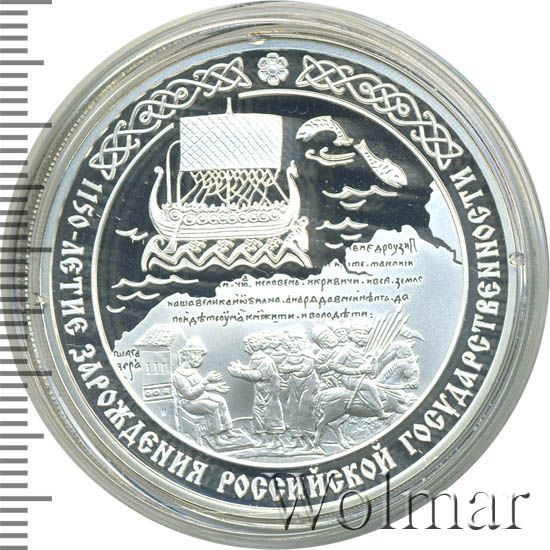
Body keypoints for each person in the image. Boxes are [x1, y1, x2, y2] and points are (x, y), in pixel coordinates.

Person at [173, 336, 240, 447]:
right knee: (212, 406)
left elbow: (201, 386)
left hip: (200, 396)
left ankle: (228, 430)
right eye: (195, 354)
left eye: (200, 355)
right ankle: (216, 437)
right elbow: (190, 394)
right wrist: (207, 380)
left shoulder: (192, 371)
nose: (199, 358)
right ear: (185, 355)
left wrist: (215, 387)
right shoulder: (178, 375)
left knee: (221, 400)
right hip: (188, 402)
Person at [228, 333, 285, 448]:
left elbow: (259, 374)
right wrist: (241, 367)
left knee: (272, 413)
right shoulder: (255, 357)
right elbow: (252, 369)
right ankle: (263, 439)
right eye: (251, 342)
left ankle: (277, 440)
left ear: (261, 343)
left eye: (255, 341)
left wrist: (240, 373)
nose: (253, 344)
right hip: (260, 390)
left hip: (270, 391)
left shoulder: (266, 359)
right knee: (258, 413)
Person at [333, 323, 391, 419]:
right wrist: (358, 371)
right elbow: (335, 365)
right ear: (352, 335)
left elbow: (373, 373)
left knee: (379, 386)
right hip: (350, 379)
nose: (363, 337)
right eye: (359, 334)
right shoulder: (347, 350)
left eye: (365, 334)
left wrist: (374, 360)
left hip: (363, 378)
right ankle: (380, 412)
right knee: (370, 385)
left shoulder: (364, 350)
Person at [279, 328, 319, 449]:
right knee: (293, 409)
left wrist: (290, 368)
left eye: (293, 341)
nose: (291, 345)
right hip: (293, 385)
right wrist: (297, 367)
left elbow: (305, 370)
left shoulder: (307, 354)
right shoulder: (290, 355)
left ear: (300, 342)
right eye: (289, 342)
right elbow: (282, 368)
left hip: (308, 385)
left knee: (304, 410)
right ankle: (297, 439)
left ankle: (309, 441)